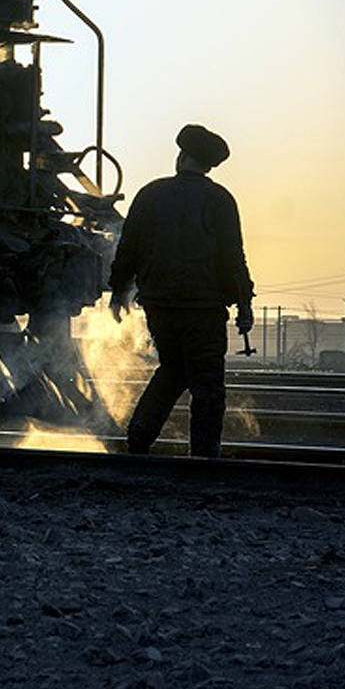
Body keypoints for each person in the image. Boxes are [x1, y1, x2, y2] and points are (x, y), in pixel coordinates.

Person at [108, 124, 254, 458]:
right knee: (208, 388)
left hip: (159, 307)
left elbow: (127, 248)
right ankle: (202, 459)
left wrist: (118, 291)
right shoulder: (219, 200)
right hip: (203, 308)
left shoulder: (150, 194)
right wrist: (244, 305)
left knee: (173, 371)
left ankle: (139, 439)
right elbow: (233, 257)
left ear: (181, 156)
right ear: (208, 165)